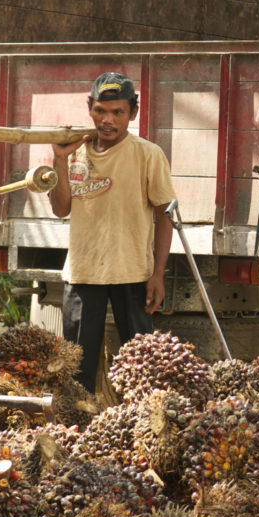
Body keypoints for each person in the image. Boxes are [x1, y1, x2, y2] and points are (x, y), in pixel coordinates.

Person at [49, 72, 176, 393]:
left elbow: (165, 217)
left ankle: (145, 429)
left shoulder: (148, 154)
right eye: (100, 111)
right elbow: (61, 209)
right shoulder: (73, 152)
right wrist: (59, 161)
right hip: (82, 275)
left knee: (143, 370)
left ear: (132, 113)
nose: (107, 120)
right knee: (77, 375)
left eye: (118, 112)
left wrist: (158, 273)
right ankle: (78, 433)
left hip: (133, 274)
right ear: (89, 108)